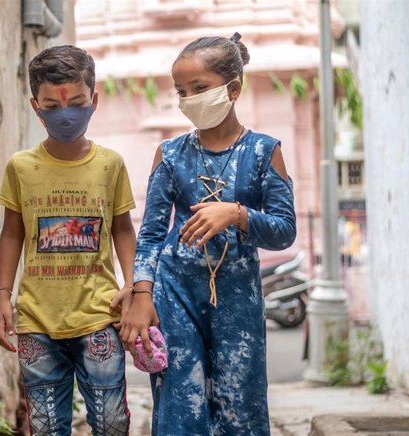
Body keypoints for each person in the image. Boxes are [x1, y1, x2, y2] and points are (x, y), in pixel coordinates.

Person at [120, 33, 296, 435]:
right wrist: (142, 293)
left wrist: (237, 214)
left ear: (233, 89)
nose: (189, 99)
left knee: (241, 408)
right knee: (180, 406)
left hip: (238, 297)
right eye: (182, 91)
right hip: (174, 293)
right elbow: (148, 235)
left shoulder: (263, 152)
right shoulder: (169, 154)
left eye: (200, 89)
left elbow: (284, 231)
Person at [0, 45, 136, 436]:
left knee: (112, 424)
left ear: (94, 99)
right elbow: (11, 232)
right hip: (37, 319)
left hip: (98, 315)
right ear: (35, 106)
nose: (66, 113)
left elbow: (122, 228)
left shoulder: (110, 164)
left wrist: (133, 286)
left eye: (76, 102)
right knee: (45, 426)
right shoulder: (21, 167)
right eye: (52, 106)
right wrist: (4, 295)